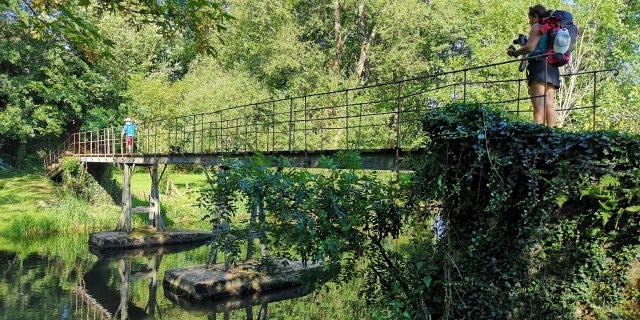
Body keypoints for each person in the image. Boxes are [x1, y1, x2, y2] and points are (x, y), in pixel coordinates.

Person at [507, 4, 560, 128]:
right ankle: (552, 134)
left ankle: (539, 134)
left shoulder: (537, 26)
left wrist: (514, 53)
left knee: (539, 105)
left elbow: (530, 47)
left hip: (539, 67)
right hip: (552, 67)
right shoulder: (551, 27)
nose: (529, 22)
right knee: (549, 104)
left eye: (530, 18)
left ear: (535, 17)